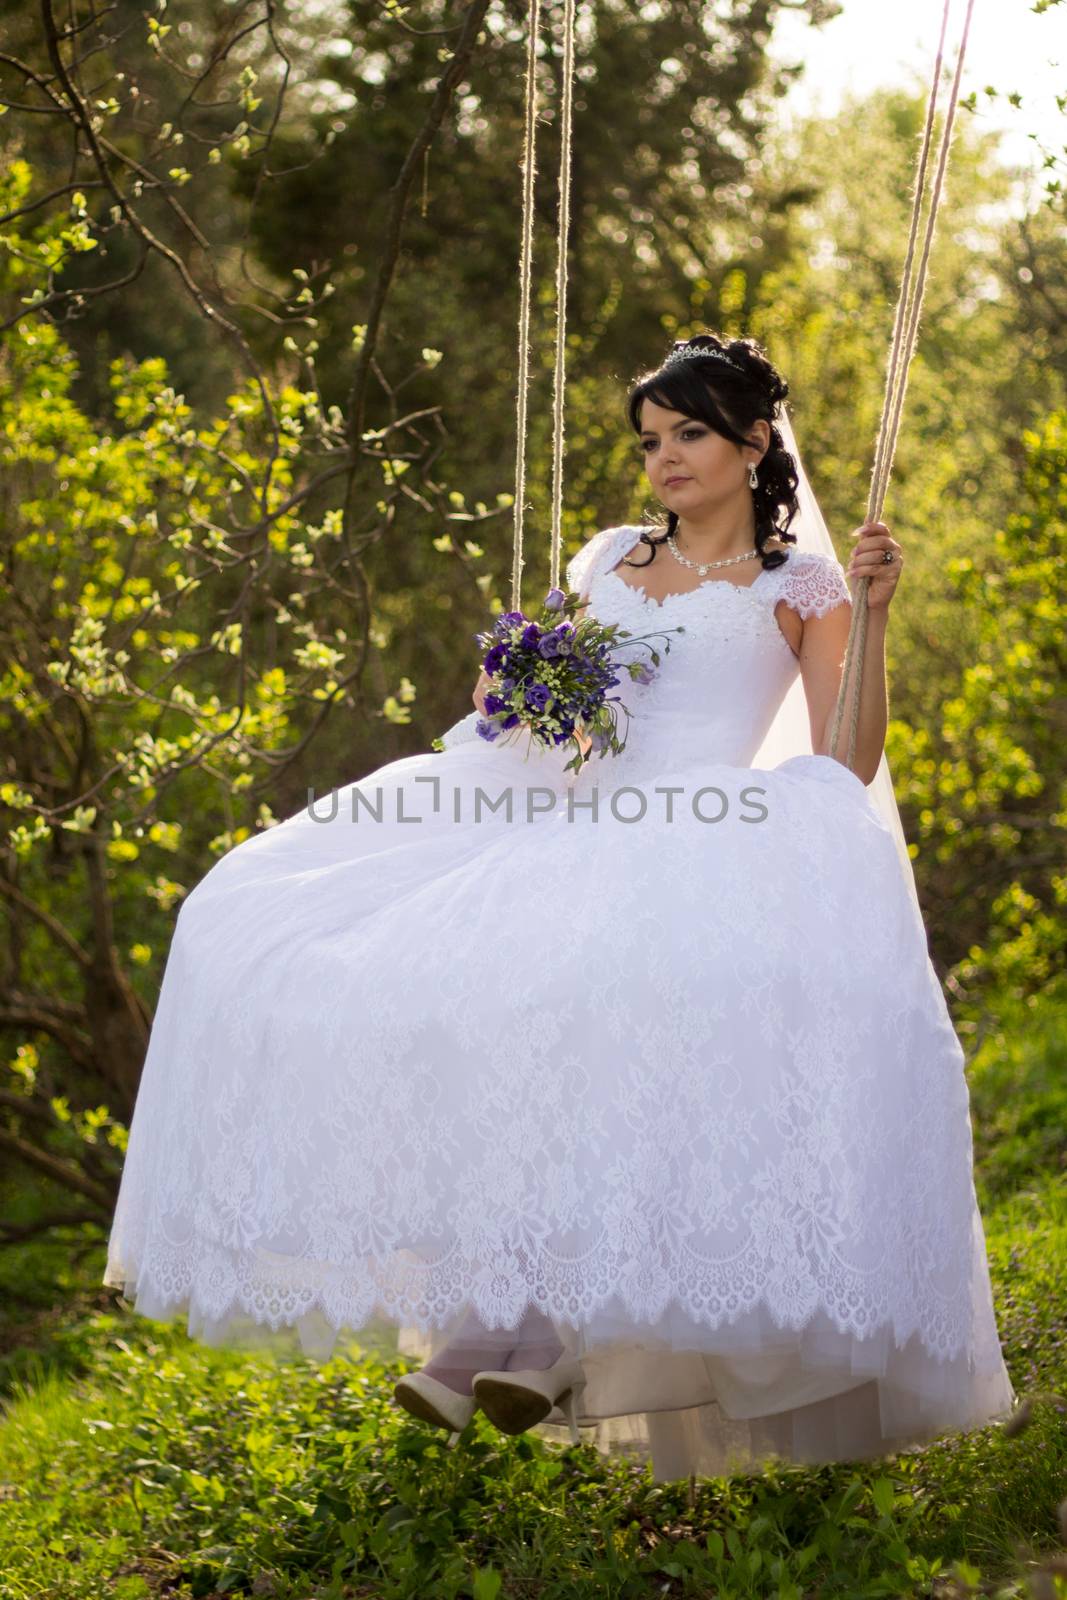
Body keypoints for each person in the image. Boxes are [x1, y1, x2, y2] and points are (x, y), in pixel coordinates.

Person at [103, 332, 1016, 1482]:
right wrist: (519, 691)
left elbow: (847, 756)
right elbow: (531, 717)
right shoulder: (603, 560)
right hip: (571, 817)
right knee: (298, 928)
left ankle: (541, 1321)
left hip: (697, 842)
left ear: (750, 444)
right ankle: (505, 1302)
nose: (662, 459)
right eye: (647, 441)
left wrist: (873, 617)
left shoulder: (803, 586)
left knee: (599, 982)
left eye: (686, 432)